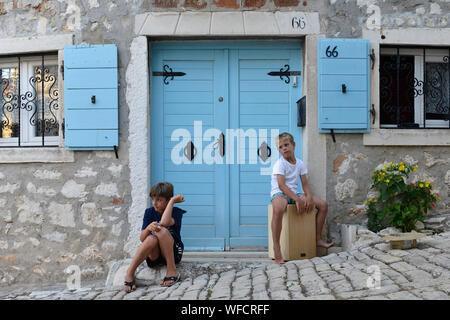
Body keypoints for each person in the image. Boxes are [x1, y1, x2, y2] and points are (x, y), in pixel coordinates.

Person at [270, 132, 333, 264]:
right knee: (279, 208)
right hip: (280, 193)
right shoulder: (279, 164)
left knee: (323, 205)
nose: (284, 149)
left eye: (286, 145)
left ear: (293, 145)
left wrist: (308, 196)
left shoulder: (299, 163)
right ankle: (277, 248)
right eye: (281, 147)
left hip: (294, 193)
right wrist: (298, 199)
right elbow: (281, 186)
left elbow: (305, 184)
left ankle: (317, 239)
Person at [124, 182, 186, 292]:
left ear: (167, 200)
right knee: (150, 238)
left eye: (159, 200)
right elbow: (142, 239)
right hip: (154, 256)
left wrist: (172, 202)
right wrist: (148, 228)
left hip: (173, 254)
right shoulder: (149, 212)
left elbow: (164, 222)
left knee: (160, 230)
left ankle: (171, 270)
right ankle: (130, 271)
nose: (154, 203)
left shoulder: (176, 212)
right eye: (153, 199)